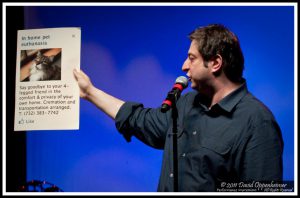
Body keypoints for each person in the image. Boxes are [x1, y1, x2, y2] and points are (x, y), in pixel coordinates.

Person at [73, 24, 283, 192]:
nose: (184, 66)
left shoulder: (257, 122)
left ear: (216, 63)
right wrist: (89, 92)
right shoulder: (184, 104)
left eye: (192, 58)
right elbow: (139, 119)